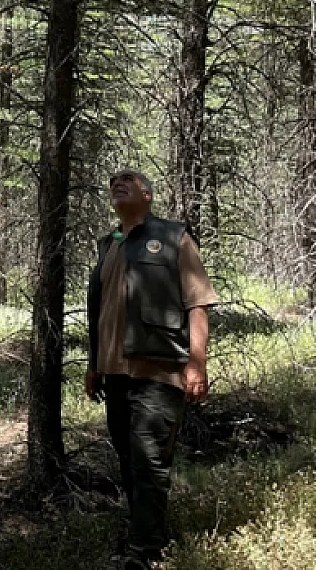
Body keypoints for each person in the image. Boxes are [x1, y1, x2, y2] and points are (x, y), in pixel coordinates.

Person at [84, 169, 219, 569]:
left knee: (149, 460)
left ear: (147, 194)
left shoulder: (174, 238)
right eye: (113, 181)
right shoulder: (109, 245)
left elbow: (198, 304)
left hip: (159, 372)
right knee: (129, 462)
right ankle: (143, 537)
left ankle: (144, 554)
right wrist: (94, 366)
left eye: (128, 180)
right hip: (114, 374)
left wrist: (197, 364)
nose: (118, 183)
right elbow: (101, 313)